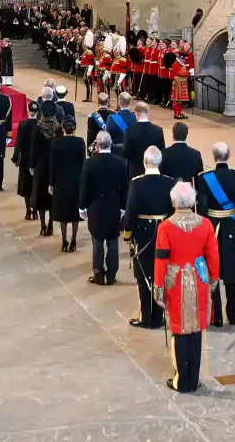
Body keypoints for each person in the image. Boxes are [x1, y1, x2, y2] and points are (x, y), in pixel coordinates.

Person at [154, 182, 220, 393]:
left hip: (175, 281)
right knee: (196, 329)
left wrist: (158, 286)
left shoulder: (165, 227)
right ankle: (193, 378)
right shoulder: (206, 224)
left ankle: (181, 379)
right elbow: (213, 256)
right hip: (199, 279)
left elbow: (161, 260)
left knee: (179, 329)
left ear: (174, 201)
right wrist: (213, 279)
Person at [196, 142, 235, 327]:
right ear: (229, 156)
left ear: (213, 156)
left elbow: (201, 209)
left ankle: (216, 316)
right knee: (231, 273)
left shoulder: (203, 179)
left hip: (212, 228)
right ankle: (232, 315)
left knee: (213, 272)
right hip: (231, 229)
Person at [121, 146, 174, 327]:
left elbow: (131, 211)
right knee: (161, 274)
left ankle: (146, 316)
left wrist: (127, 233)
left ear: (145, 162)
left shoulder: (136, 182)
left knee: (143, 277)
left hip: (143, 234)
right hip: (164, 233)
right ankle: (159, 316)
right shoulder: (169, 182)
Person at [79, 132, 127, 285]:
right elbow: (125, 188)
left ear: (97, 144)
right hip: (113, 206)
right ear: (111, 143)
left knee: (97, 241)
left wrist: (82, 206)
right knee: (113, 240)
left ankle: (98, 274)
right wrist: (123, 208)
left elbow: (84, 188)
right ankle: (112, 275)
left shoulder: (89, 163)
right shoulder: (120, 163)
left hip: (96, 207)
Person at [49, 115, 86, 252]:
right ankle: (74, 240)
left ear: (62, 128)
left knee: (63, 212)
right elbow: (83, 164)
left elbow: (53, 166)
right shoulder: (80, 142)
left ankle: (64, 240)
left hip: (61, 181)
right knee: (75, 213)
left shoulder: (56, 143)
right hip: (76, 181)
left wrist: (51, 183)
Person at [30, 101, 60, 236]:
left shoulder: (37, 128)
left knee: (41, 195)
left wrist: (31, 164)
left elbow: (34, 148)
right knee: (52, 196)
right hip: (55, 165)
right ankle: (51, 224)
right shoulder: (59, 128)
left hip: (41, 165)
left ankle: (42, 224)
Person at [12, 100, 38, 220]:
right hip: (37, 160)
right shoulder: (40, 124)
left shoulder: (23, 125)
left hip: (26, 159)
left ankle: (28, 210)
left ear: (28, 111)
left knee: (26, 185)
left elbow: (19, 143)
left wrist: (16, 157)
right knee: (36, 185)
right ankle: (36, 210)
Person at [123, 102, 165, 178]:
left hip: (135, 172)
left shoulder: (129, 131)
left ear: (135, 114)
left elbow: (126, 153)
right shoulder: (158, 130)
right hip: (154, 171)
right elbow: (161, 152)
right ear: (148, 113)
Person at [106, 92, 136, 159]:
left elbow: (107, 136)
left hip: (116, 153)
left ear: (119, 103)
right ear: (129, 102)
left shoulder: (112, 118)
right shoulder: (135, 117)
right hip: (131, 153)